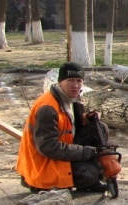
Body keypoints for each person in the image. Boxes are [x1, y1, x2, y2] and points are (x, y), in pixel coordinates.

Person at [17, 62, 110, 194]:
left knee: (99, 127)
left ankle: (94, 174)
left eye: (79, 81)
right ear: (60, 82)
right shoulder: (47, 109)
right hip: (43, 166)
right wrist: (83, 152)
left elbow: (67, 125)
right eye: (70, 80)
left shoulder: (68, 98)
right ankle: (87, 180)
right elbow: (48, 147)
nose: (75, 85)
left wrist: (85, 119)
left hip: (59, 153)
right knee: (89, 174)